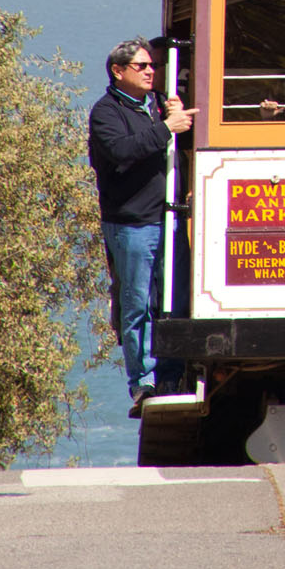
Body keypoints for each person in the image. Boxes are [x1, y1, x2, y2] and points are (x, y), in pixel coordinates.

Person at [89, 37, 194, 417]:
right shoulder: (106, 113)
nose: (151, 72)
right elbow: (122, 152)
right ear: (118, 71)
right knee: (137, 305)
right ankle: (144, 382)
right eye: (142, 66)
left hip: (167, 219)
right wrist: (167, 127)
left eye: (153, 66)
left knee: (174, 300)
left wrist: (173, 122)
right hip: (131, 224)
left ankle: (173, 372)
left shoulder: (155, 107)